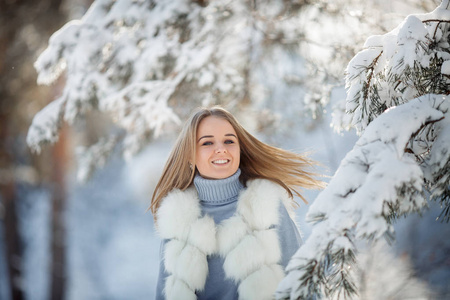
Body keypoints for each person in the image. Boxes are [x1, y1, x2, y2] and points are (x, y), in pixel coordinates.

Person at [151, 106, 324, 300]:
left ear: (240, 149)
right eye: (207, 143)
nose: (221, 149)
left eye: (229, 141)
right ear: (190, 156)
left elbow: (302, 283)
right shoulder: (177, 218)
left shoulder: (265, 205)